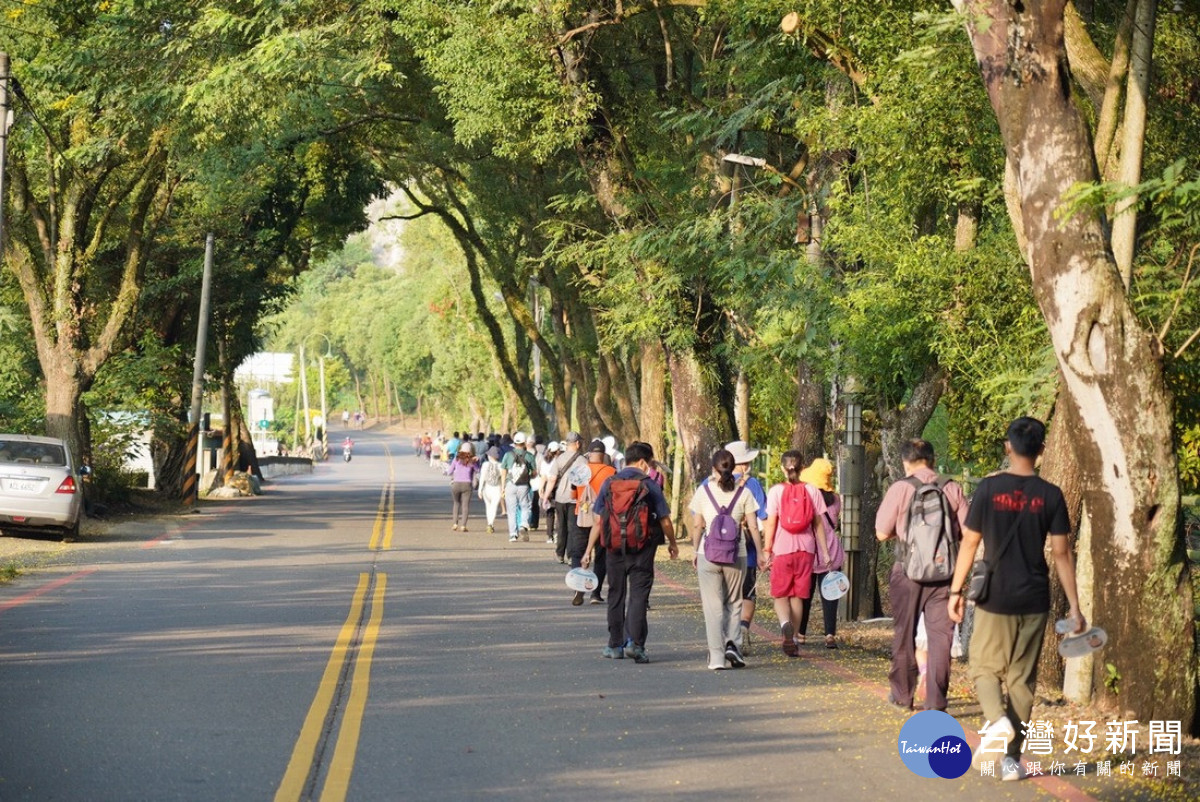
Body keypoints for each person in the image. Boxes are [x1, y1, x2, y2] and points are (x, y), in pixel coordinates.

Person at [948, 417, 1085, 782]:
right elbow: (1061, 553)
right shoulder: (1052, 495)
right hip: (1035, 596)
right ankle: (1011, 761)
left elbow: (970, 542)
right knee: (1022, 681)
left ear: (1009, 446)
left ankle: (997, 723)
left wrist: (955, 591)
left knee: (982, 667)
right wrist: (1074, 606)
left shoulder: (989, 491)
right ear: (1041, 450)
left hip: (996, 596)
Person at [876, 438, 968, 712]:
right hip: (944, 575)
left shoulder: (901, 488)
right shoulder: (951, 487)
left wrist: (903, 533)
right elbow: (968, 531)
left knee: (904, 634)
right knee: (941, 638)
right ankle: (936, 702)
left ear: (905, 461)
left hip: (908, 573)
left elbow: (881, 532)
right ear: (932, 458)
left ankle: (903, 695)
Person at [582, 441, 679, 663]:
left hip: (613, 549)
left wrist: (589, 550)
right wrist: (673, 543)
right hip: (643, 548)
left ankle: (614, 645)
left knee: (616, 595)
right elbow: (664, 519)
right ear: (644, 462)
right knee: (638, 596)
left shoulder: (609, 483)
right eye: (651, 462)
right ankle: (635, 644)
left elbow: (598, 521)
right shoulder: (650, 485)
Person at [690, 448, 763, 670]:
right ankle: (734, 644)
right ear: (735, 468)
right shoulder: (745, 493)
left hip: (708, 553)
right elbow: (752, 526)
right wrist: (760, 553)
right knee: (735, 602)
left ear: (713, 468)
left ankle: (716, 657)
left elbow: (697, 525)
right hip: (736, 553)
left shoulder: (703, 491)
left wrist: (695, 550)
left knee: (713, 607)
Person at [762, 450, 830, 658]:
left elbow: (771, 522)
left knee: (781, 594)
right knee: (799, 595)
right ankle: (795, 636)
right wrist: (825, 552)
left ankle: (785, 626)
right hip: (806, 550)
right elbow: (819, 523)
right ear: (803, 468)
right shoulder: (812, 490)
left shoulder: (775, 492)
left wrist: (766, 550)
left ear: (783, 468)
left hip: (782, 549)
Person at [798, 457, 843, 649]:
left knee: (805, 595)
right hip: (832, 551)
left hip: (811, 550)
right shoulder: (836, 499)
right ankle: (830, 634)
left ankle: (801, 634)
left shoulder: (808, 499)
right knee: (831, 594)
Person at [569, 440, 616, 605]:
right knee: (601, 555)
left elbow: (572, 495)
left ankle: (578, 587)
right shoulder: (612, 472)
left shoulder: (579, 470)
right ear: (603, 455)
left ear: (589, 454)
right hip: (603, 517)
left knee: (578, 553)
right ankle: (595, 593)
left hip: (581, 516)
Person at [545, 432, 585, 565]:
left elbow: (552, 479)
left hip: (560, 498)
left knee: (561, 526)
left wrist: (546, 496)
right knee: (573, 527)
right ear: (578, 443)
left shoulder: (559, 459)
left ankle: (560, 553)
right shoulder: (583, 460)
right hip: (575, 499)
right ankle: (571, 555)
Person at [500, 432, 537, 542]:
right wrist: (529, 474)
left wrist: (502, 487)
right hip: (524, 485)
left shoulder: (508, 455)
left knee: (511, 510)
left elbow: (503, 472)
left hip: (510, 484)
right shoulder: (529, 456)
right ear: (524, 442)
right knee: (525, 506)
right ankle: (523, 524)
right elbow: (535, 473)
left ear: (514, 442)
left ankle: (513, 534)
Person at [447, 442, 479, 531]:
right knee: (465, 506)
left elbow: (449, 472)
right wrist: (477, 461)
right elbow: (478, 470)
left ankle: (454, 524)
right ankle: (463, 526)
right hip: (467, 485)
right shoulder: (472, 461)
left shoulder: (456, 459)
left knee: (456, 503)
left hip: (456, 484)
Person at [537, 441, 562, 546]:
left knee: (549, 512)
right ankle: (558, 534)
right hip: (558, 487)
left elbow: (543, 476)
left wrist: (541, 488)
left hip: (548, 486)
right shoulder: (559, 461)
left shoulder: (544, 462)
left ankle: (549, 536)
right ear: (557, 451)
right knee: (559, 513)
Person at [478, 447, 505, 533]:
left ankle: (489, 523)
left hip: (487, 488)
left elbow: (482, 477)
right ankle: (490, 524)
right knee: (494, 507)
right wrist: (503, 489)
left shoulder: (485, 464)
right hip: (497, 488)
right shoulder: (501, 465)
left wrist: (479, 489)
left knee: (488, 506)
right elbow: (502, 479)